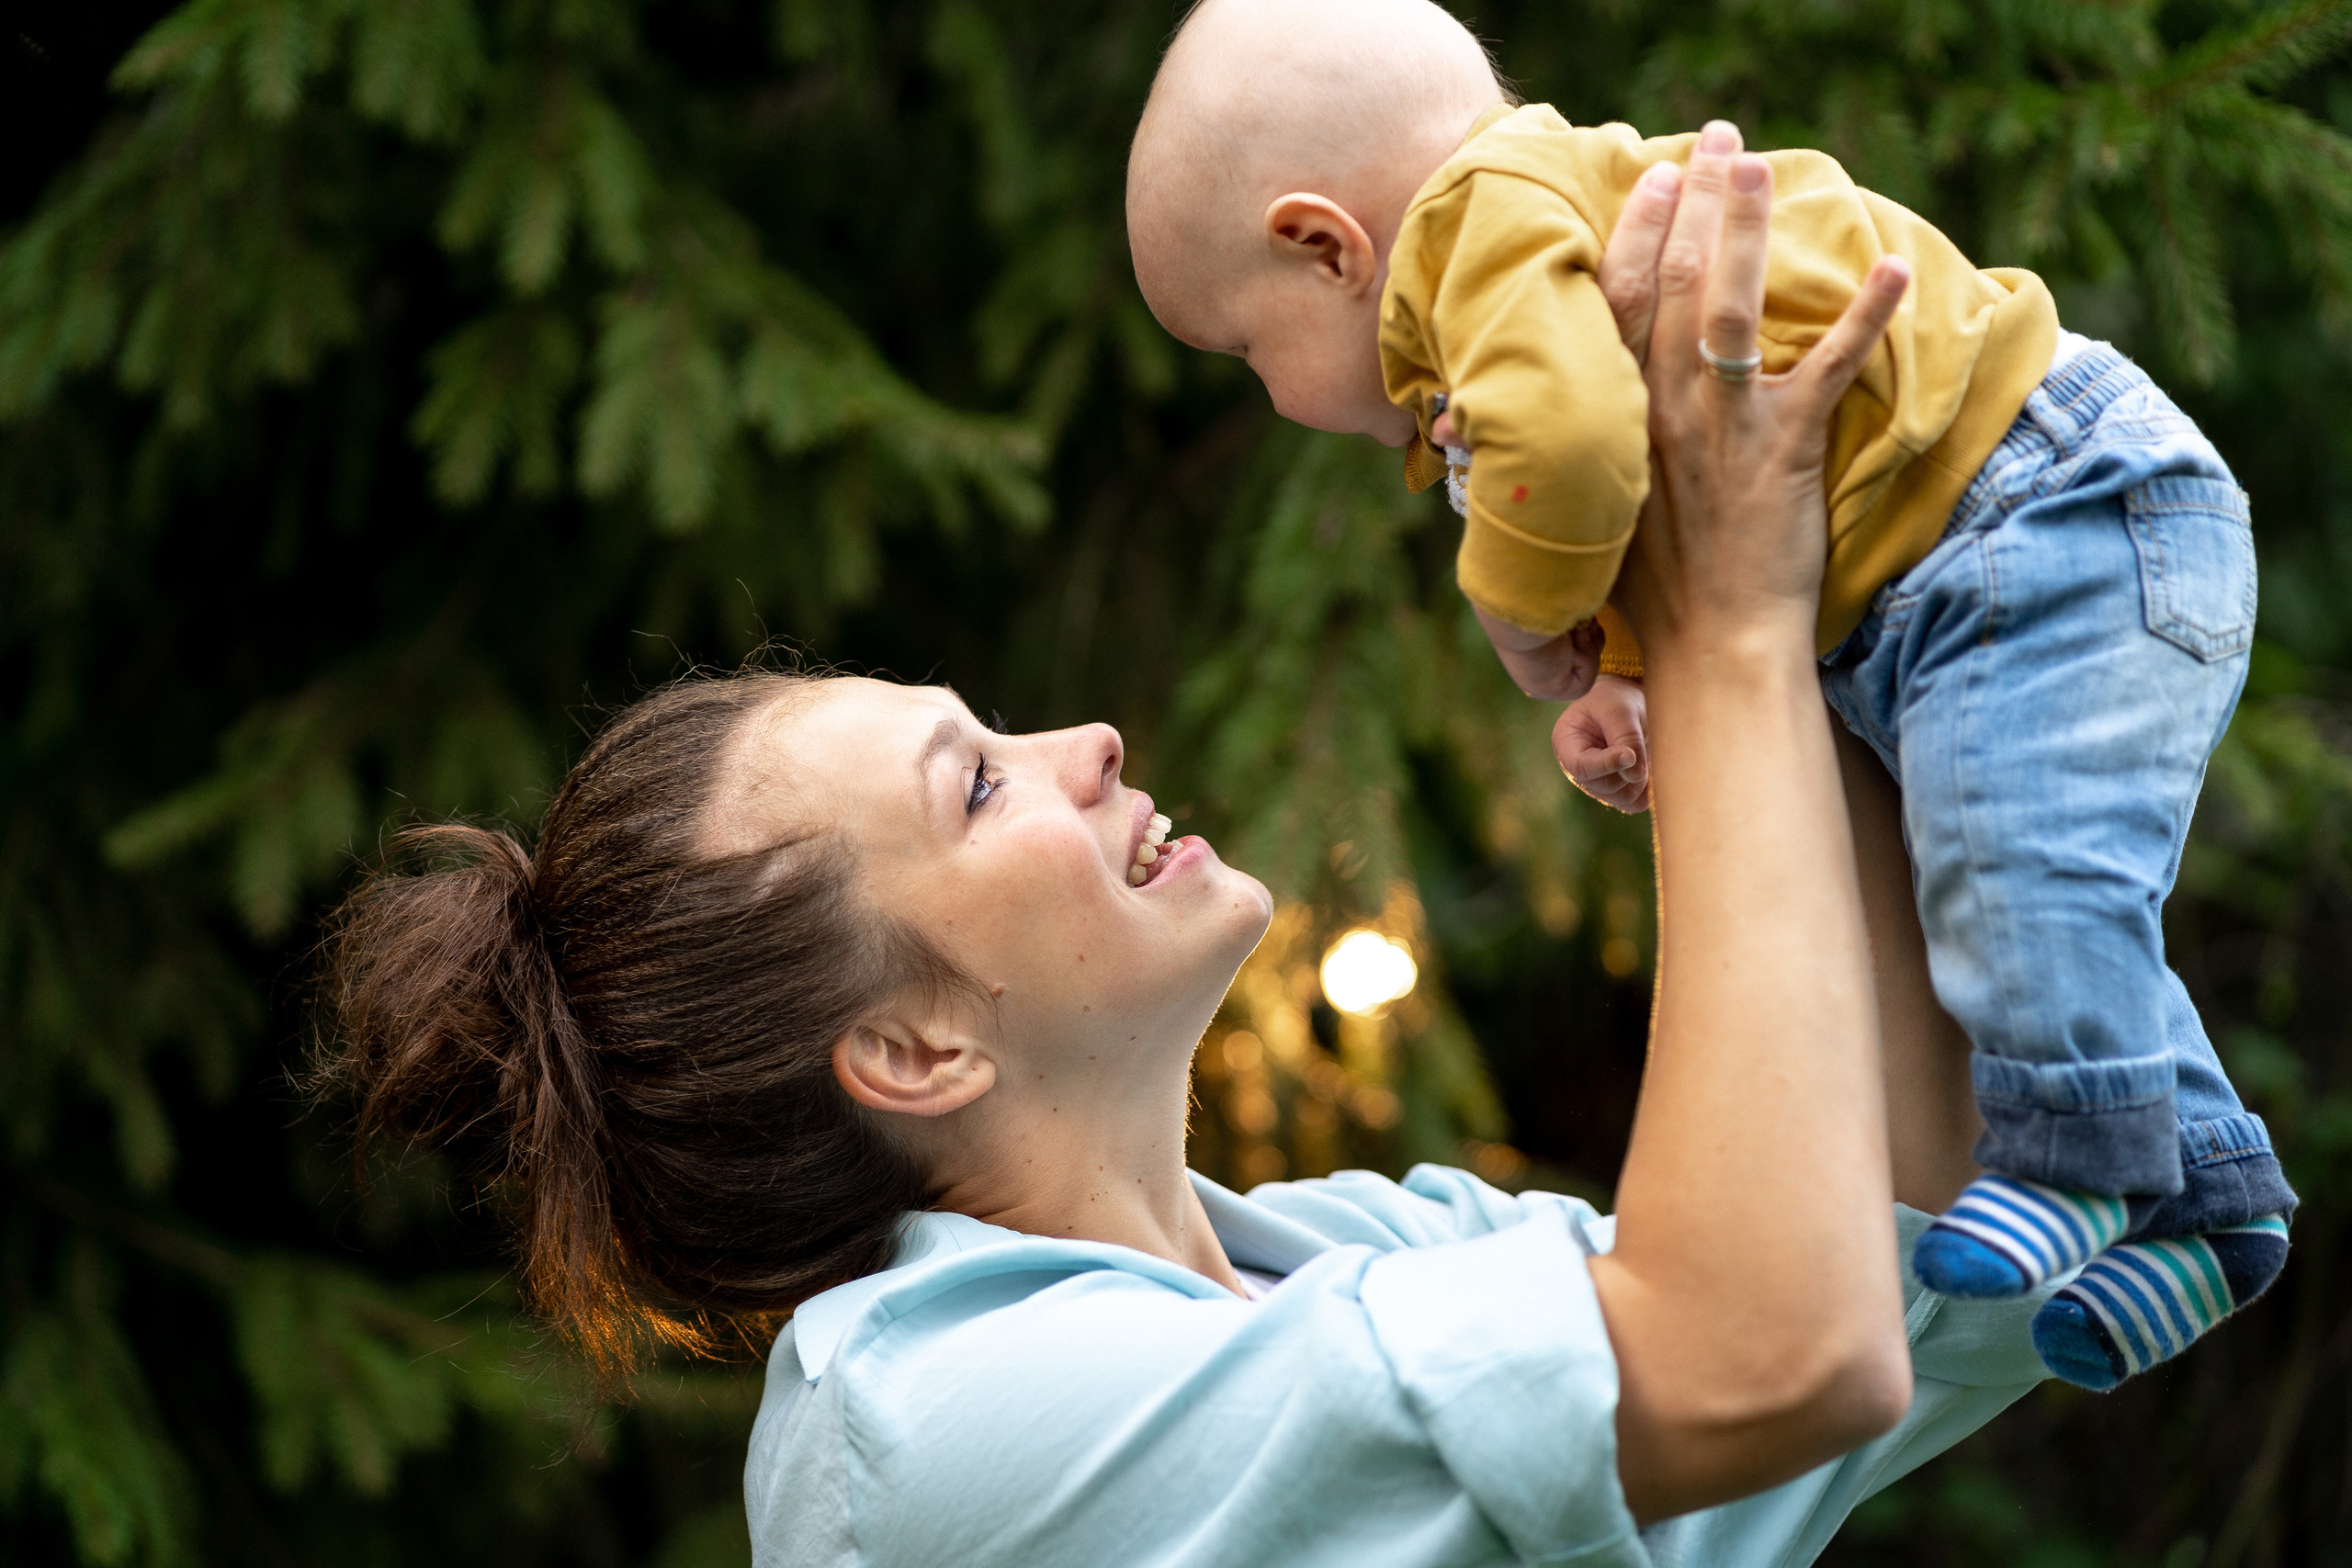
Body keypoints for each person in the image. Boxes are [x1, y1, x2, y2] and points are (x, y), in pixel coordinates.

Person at [319, 130, 2060, 1567]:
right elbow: (1770, 1351)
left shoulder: (1366, 1248)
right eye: (979, 787)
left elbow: (1907, 1257)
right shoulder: (937, 1433)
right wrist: (1724, 628)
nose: (1085, 745)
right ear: (912, 1049)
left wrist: (1764, 602)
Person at [1123, 0, 2292, 1388]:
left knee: (2013, 867)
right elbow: (1667, 478)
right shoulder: (1519, 252)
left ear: (1325, 246)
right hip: (1957, 562)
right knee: (2020, 880)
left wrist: (1518, 611)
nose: (1271, 400)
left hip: (2037, 515)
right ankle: (2213, 1203)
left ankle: (2077, 1161)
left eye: (1250, 355)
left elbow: (1573, 453)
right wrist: (1623, 672)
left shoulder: (1476, 233)